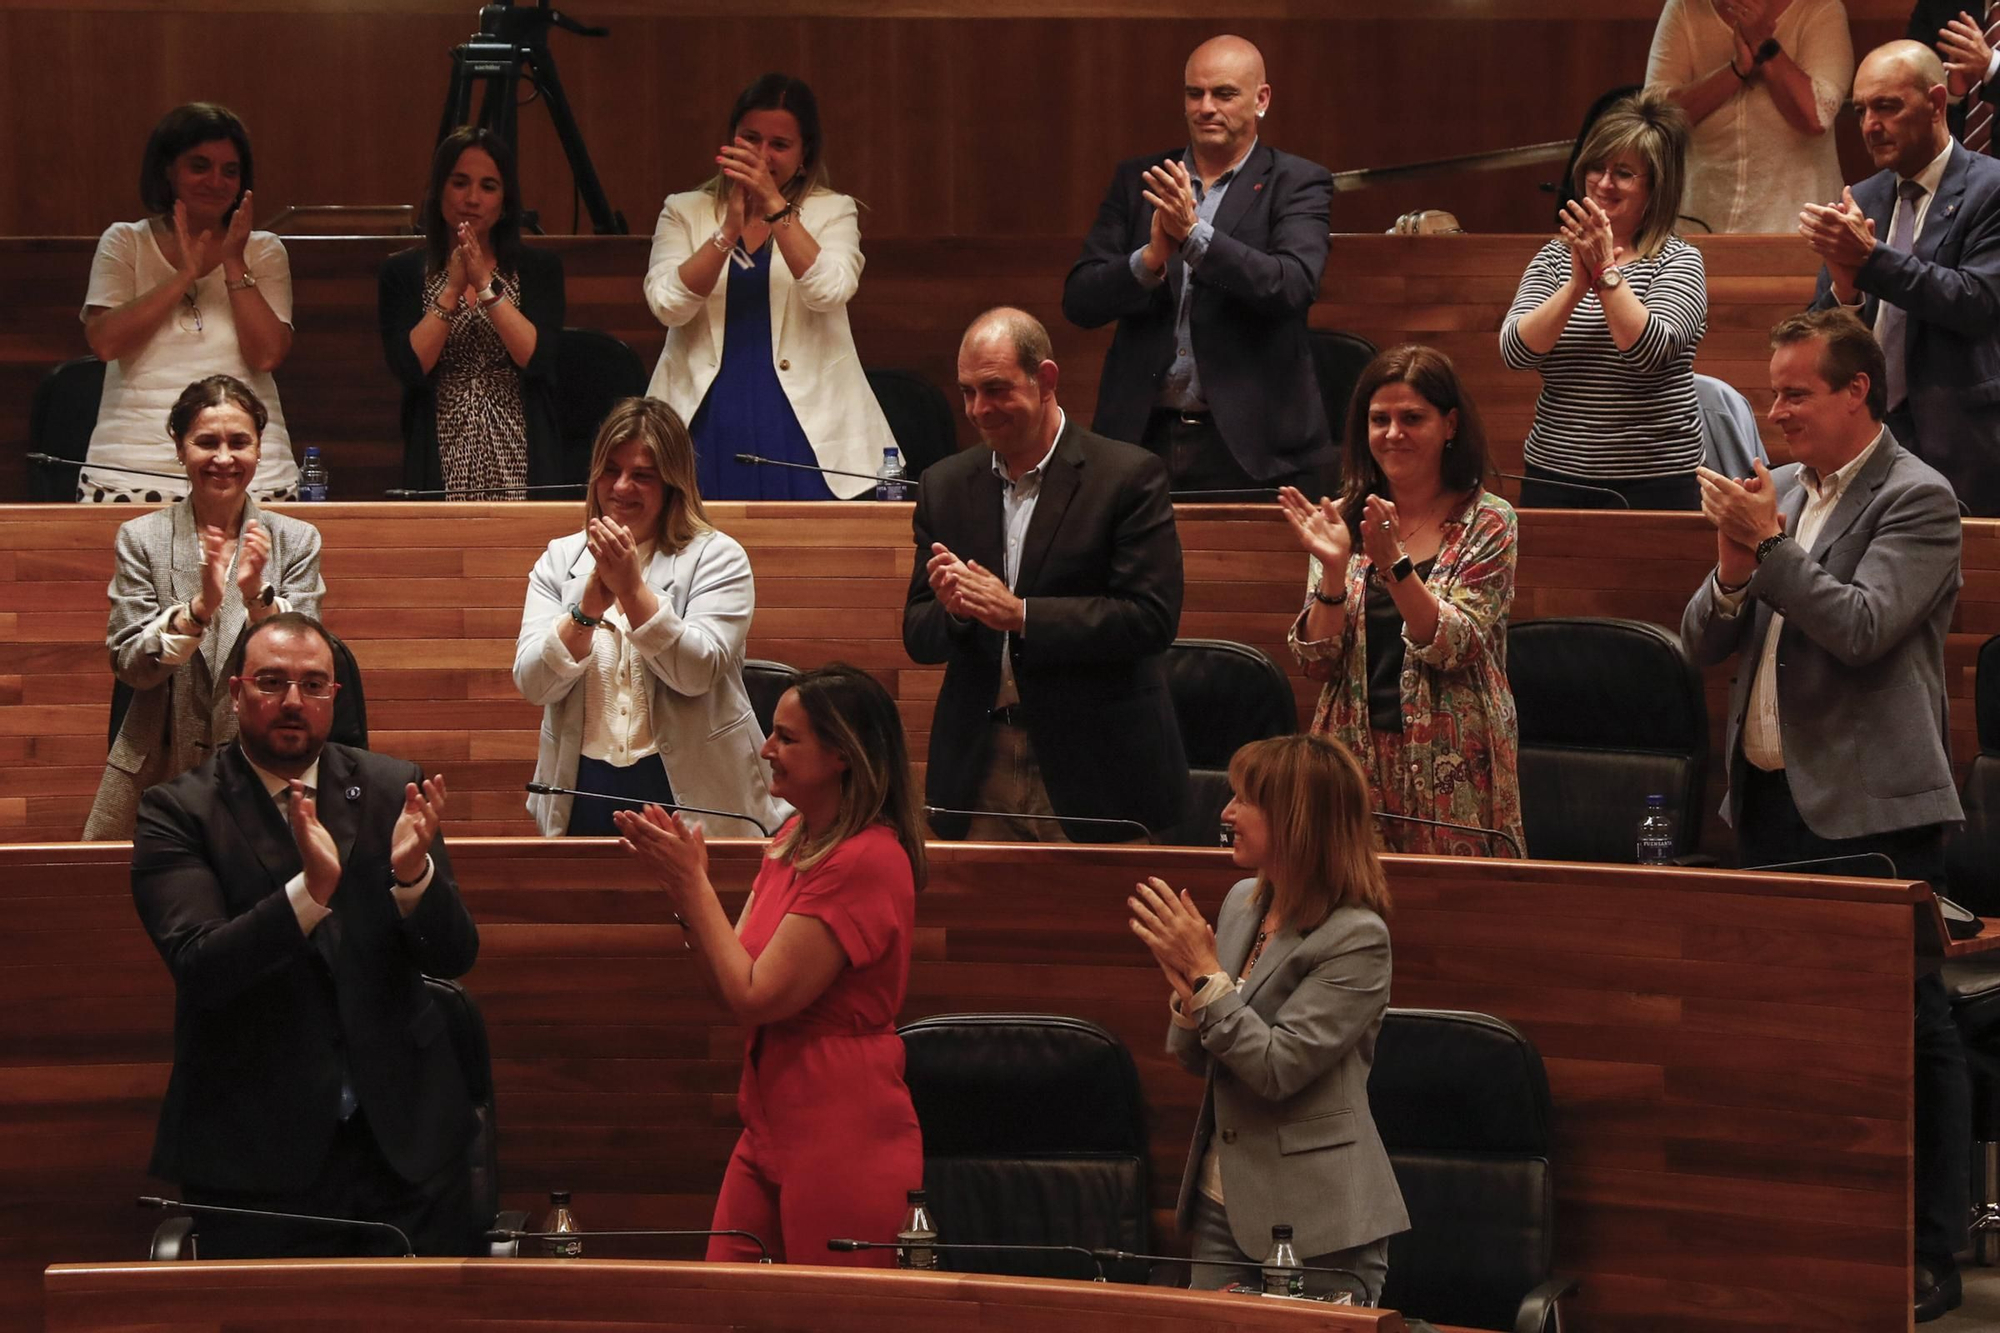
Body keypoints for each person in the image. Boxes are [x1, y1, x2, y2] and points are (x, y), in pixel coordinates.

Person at [1680, 308, 1968, 1323]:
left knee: (1907, 1031)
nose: (1774, 412)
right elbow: (1698, 639)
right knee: (1789, 1034)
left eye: (1795, 392)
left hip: (1870, 811)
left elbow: (1856, 628)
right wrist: (1730, 563)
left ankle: (1930, 1250)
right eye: (1770, 392)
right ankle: (1812, 1234)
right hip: (1767, 798)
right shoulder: (1784, 494)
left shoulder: (1919, 500)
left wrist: (1766, 547)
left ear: (1857, 392)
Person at [131, 612, 479, 1257]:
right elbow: (203, 965)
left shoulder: (387, 786)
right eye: (272, 681)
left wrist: (414, 878)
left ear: (335, 698)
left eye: (313, 684)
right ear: (235, 694)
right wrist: (307, 896)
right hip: (253, 1153)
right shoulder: (178, 810)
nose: (293, 701)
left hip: (406, 1147)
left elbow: (456, 955)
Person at [613, 664, 924, 1265]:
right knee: (724, 1303)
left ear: (841, 755)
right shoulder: (791, 843)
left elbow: (758, 995)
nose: (766, 748)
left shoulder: (868, 859)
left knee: (829, 1317)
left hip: (843, 1132)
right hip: (769, 1122)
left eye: (787, 737)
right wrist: (685, 895)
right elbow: (732, 983)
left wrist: (693, 885)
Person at [1129, 732, 1408, 1305]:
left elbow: (1277, 1068)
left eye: (1243, 801)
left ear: (1295, 819)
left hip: (1320, 1220)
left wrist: (1206, 978)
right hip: (1221, 1203)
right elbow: (1192, 1054)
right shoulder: (1240, 902)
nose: (1226, 813)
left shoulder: (1357, 937)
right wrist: (1187, 992)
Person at [903, 308, 1187, 843]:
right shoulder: (944, 485)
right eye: (967, 392)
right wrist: (957, 613)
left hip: (1097, 762)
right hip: (979, 763)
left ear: (1047, 379)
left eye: (995, 389)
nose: (979, 410)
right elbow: (918, 635)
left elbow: (1150, 619)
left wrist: (1022, 615)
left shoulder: (1127, 477)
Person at [1061, 34, 1334, 494]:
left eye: (1224, 94)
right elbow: (1080, 300)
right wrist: (1149, 260)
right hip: (1139, 437)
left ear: (1260, 99)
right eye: (1195, 93)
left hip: (1252, 448)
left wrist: (1194, 236)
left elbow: (1291, 284)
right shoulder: (1140, 180)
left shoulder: (1297, 182)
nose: (1206, 107)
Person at [1279, 346, 1522, 859]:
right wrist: (1330, 569)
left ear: (1449, 425)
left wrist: (1394, 565)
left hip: (1454, 754)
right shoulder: (1342, 519)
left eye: (1412, 418)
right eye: (1379, 419)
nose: (1393, 433)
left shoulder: (1490, 520)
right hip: (1353, 745)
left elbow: (1455, 646)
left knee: (1456, 911)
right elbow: (1317, 661)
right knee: (1347, 900)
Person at [514, 397, 783, 838]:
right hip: (584, 787)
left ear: (673, 483)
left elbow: (697, 673)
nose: (621, 487)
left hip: (696, 791)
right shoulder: (559, 560)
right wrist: (585, 613)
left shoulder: (717, 557)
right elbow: (533, 682)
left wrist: (632, 592)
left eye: (642, 475)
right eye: (610, 470)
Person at [83, 376, 323, 840]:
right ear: (179, 447)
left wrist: (255, 598)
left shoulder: (296, 540)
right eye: (206, 442)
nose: (224, 458)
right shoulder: (141, 539)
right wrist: (198, 609)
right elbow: (130, 665)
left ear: (259, 448)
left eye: (239, 442)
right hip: (159, 766)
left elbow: (307, 668)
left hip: (266, 769)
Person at [641, 73, 895, 500]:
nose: (762, 156)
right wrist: (727, 231)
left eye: (779, 145)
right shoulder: (684, 210)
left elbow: (829, 290)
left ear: (803, 155)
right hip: (707, 414)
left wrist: (775, 209)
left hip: (803, 419)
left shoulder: (833, 211)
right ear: (730, 142)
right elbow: (668, 306)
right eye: (751, 139)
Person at [1802, 39, 2000, 516]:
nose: (1871, 125)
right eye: (1862, 110)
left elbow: (1977, 301)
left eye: (1887, 106)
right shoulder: (1863, 198)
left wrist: (1870, 260)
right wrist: (1847, 290)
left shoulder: (1990, 188)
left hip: (1964, 441)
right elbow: (1818, 333)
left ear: (1935, 104)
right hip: (1869, 438)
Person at [1501, 91, 1709, 510]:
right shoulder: (1554, 258)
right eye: (1596, 167)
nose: (1604, 182)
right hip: (1555, 473)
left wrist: (1605, 275)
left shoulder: (1679, 260)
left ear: (1657, 186)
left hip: (1656, 480)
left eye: (1624, 173)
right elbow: (1515, 351)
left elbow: (1649, 352)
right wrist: (1576, 286)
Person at [81, 103, 296, 503]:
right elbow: (105, 343)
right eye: (200, 166)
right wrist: (182, 276)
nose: (216, 181)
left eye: (230, 171)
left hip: (250, 470)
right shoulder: (124, 241)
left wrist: (233, 262)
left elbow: (267, 355)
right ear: (168, 170)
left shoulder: (264, 251)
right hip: (131, 467)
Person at [379, 126, 564, 500]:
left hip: (521, 444)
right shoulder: (401, 272)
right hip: (439, 446)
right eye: (460, 183)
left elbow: (538, 358)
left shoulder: (539, 268)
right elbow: (411, 368)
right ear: (438, 191)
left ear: (506, 201)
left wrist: (485, 286)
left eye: (488, 186)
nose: (472, 198)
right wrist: (451, 289)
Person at [1645, 0, 1853, 234]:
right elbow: (1655, 119)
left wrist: (1764, 44)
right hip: (1697, 222)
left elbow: (1816, 117)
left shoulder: (1821, 8)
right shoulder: (1684, 7)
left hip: (1797, 225)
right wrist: (1736, 70)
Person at [1907, 2, 2000, 143]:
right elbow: (1910, 78)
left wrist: (1990, 65)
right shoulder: (1938, 5)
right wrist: (1952, 91)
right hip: (1950, 148)